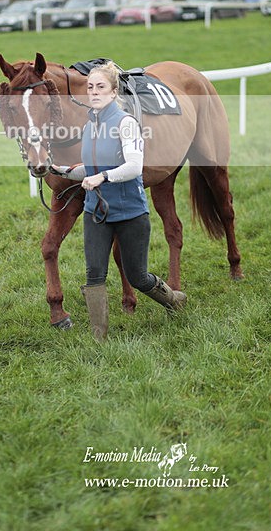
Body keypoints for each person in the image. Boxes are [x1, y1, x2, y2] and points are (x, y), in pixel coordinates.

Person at [51, 61, 186, 340]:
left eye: (100, 87)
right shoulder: (89, 126)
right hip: (97, 212)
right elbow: (89, 169)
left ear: (114, 92)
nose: (94, 93)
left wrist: (102, 179)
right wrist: (60, 171)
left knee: (138, 277)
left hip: (130, 213)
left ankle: (174, 300)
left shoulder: (127, 123)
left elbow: (134, 167)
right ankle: (98, 338)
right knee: (94, 275)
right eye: (90, 87)